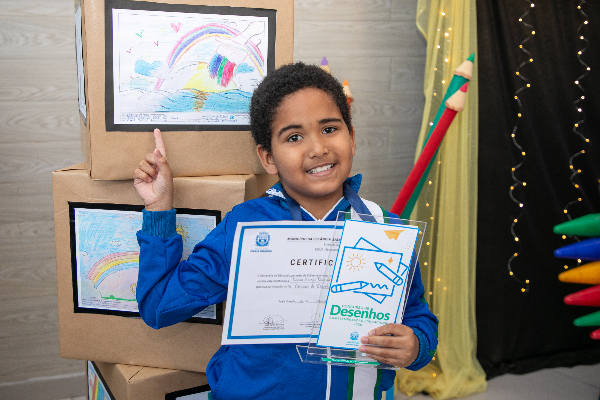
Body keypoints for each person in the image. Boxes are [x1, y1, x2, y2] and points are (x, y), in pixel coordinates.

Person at [133, 62, 438, 400]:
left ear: (351, 138)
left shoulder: (384, 231)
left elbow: (418, 317)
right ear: (268, 158)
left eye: (329, 129)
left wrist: (415, 345)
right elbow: (159, 306)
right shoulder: (246, 228)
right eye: (294, 137)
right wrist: (158, 208)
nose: (318, 149)